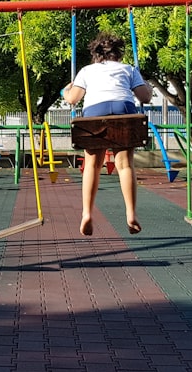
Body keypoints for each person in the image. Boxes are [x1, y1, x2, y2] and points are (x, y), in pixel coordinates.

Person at [62, 32, 153, 237]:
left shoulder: (86, 71)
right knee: (125, 165)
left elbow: (72, 99)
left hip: (94, 114)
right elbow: (145, 97)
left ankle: (86, 213)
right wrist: (145, 83)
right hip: (124, 112)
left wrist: (65, 91)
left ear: (96, 55)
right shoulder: (129, 69)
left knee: (92, 165)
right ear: (118, 53)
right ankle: (130, 213)